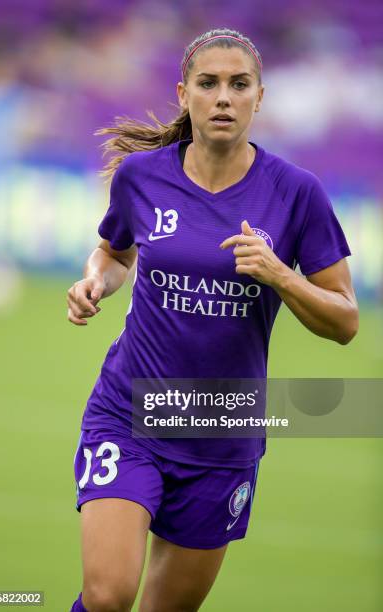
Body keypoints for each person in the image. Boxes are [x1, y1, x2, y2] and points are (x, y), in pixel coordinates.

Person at [68, 28, 358, 612]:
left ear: (259, 97)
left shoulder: (297, 194)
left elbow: (345, 320)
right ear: (184, 94)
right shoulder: (142, 177)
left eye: (238, 84)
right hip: (130, 411)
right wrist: (96, 278)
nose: (223, 97)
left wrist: (281, 275)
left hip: (223, 431)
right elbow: (116, 251)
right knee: (108, 597)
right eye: (208, 84)